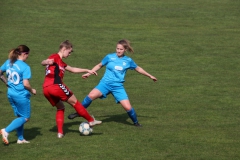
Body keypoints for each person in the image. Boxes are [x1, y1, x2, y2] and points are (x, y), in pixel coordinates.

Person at [68, 39, 157, 127]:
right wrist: (89, 73)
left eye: (121, 49)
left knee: (128, 107)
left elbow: (138, 68)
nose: (118, 51)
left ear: (125, 50)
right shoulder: (109, 57)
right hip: (105, 84)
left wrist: (150, 76)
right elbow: (99, 65)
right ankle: (78, 113)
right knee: (91, 95)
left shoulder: (128, 61)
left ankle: (136, 123)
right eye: (117, 48)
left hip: (118, 87)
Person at [41, 40, 102, 138]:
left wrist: (87, 70)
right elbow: (44, 62)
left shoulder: (61, 63)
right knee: (75, 102)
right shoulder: (54, 57)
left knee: (60, 107)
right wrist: (46, 62)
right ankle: (91, 120)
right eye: (69, 52)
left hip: (46, 89)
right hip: (56, 86)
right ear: (64, 49)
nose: (69, 54)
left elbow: (73, 69)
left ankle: (60, 133)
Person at [0, 45, 36, 145]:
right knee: (25, 117)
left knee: (20, 116)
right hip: (21, 96)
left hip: (10, 94)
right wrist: (32, 90)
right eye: (28, 54)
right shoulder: (25, 67)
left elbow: (0, 72)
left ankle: (20, 139)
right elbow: (26, 84)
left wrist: (6, 82)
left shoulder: (9, 62)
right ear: (24, 54)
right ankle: (6, 130)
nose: (28, 57)